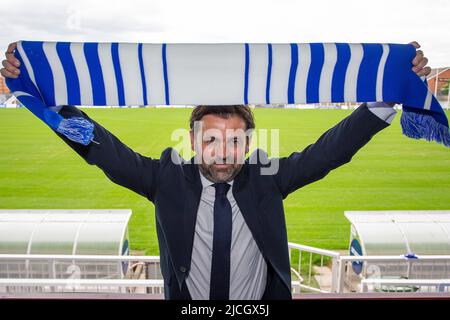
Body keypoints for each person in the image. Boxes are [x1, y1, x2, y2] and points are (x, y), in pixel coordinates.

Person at [1, 41, 431, 300]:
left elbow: (328, 151)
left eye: (235, 140)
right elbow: (104, 151)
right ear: (192, 141)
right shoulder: (165, 179)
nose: (223, 152)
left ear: (250, 143)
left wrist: (388, 92)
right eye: (211, 139)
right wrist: (45, 96)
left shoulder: (268, 177)